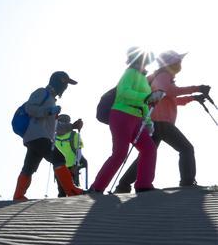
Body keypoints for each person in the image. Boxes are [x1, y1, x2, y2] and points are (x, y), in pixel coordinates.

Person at [115, 50, 211, 192]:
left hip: (154, 122)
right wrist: (196, 88)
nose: (180, 64)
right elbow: (169, 91)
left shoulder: (159, 76)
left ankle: (123, 185)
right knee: (186, 148)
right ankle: (187, 182)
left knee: (146, 154)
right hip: (161, 122)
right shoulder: (163, 75)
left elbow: (171, 99)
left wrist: (193, 98)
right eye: (178, 62)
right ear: (172, 63)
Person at [90, 49, 163, 194]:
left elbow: (144, 103)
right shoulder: (130, 72)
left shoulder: (142, 77)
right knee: (120, 153)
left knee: (149, 148)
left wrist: (148, 122)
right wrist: (147, 97)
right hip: (121, 114)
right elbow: (123, 91)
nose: (148, 63)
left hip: (136, 118)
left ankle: (143, 184)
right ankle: (97, 187)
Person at [12, 71, 86, 200]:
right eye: (66, 83)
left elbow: (53, 127)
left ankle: (18, 195)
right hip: (37, 136)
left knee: (29, 167)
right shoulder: (42, 92)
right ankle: (71, 190)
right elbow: (30, 108)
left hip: (37, 137)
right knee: (58, 158)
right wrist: (49, 111)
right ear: (60, 81)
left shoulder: (51, 99)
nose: (66, 87)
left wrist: (72, 126)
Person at [53, 115, 86, 196]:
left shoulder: (53, 136)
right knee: (73, 189)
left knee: (61, 191)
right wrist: (77, 164)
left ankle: (60, 206)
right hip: (72, 166)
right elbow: (79, 152)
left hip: (58, 167)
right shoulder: (75, 135)